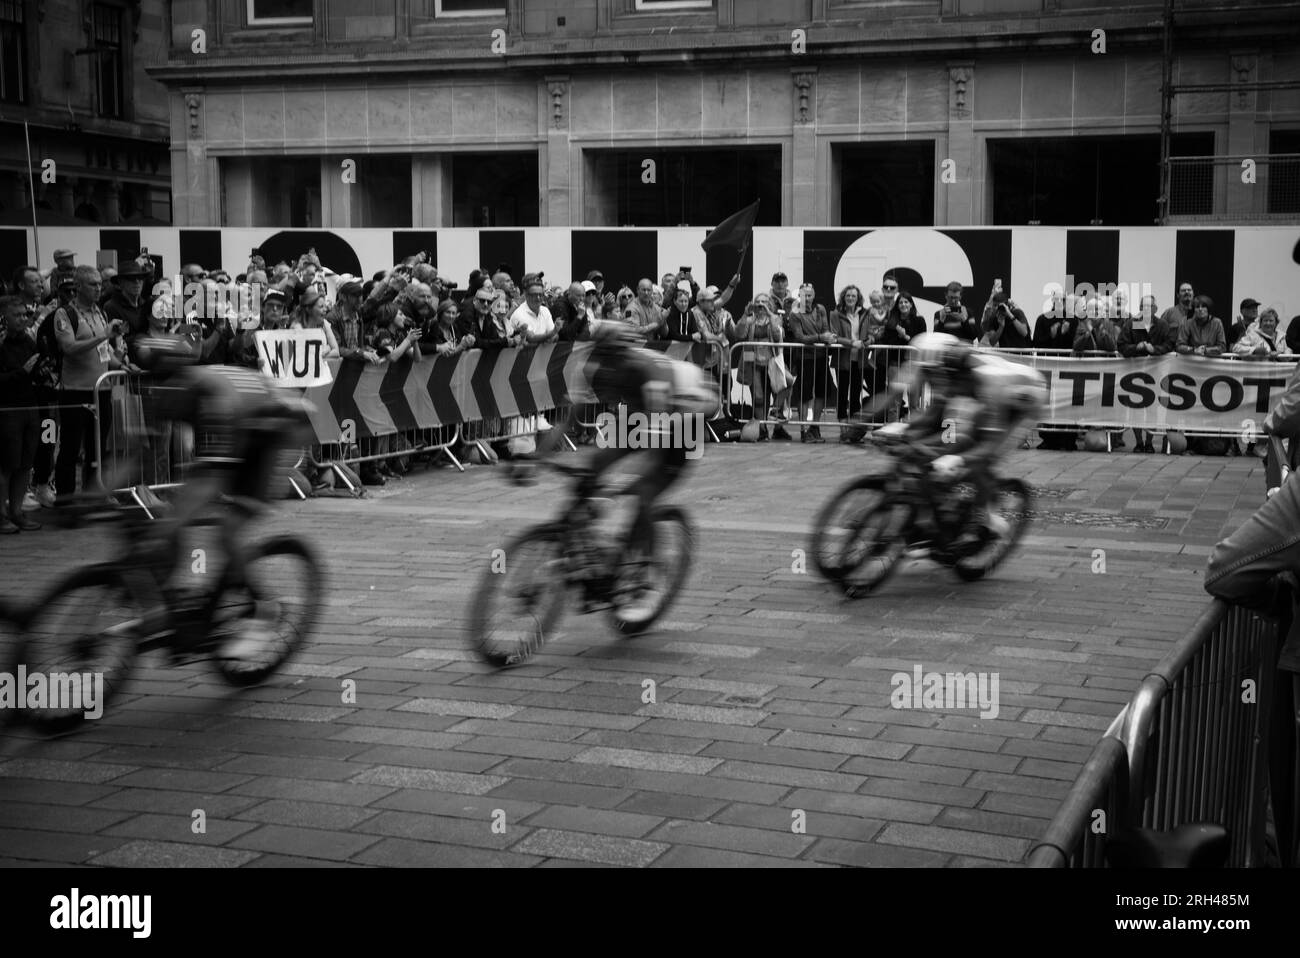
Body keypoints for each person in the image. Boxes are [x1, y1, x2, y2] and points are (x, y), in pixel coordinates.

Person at [127, 334, 316, 657]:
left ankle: (263, 609)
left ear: (179, 378)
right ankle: (187, 599)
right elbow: (133, 459)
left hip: (273, 435)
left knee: (226, 530)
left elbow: (210, 480)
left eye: (159, 383)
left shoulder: (212, 398)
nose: (152, 393)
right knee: (176, 518)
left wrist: (165, 528)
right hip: (243, 431)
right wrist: (92, 496)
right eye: (147, 383)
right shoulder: (168, 393)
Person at [512, 322, 695, 601]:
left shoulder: (643, 370)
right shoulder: (590, 367)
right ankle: (590, 547)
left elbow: (656, 441)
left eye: (613, 361)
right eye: (601, 357)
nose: (606, 370)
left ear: (625, 356)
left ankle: (645, 568)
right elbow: (568, 420)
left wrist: (625, 485)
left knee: (644, 493)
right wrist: (536, 459)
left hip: (682, 417)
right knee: (594, 467)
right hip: (641, 415)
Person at [878, 332, 1045, 550]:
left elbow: (988, 444)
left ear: (966, 375)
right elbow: (941, 421)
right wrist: (905, 428)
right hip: (989, 396)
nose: (945, 384)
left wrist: (956, 459)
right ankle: (945, 510)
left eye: (953, 380)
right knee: (952, 442)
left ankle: (989, 518)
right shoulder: (953, 376)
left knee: (982, 459)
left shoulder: (989, 384)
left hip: (1023, 403)